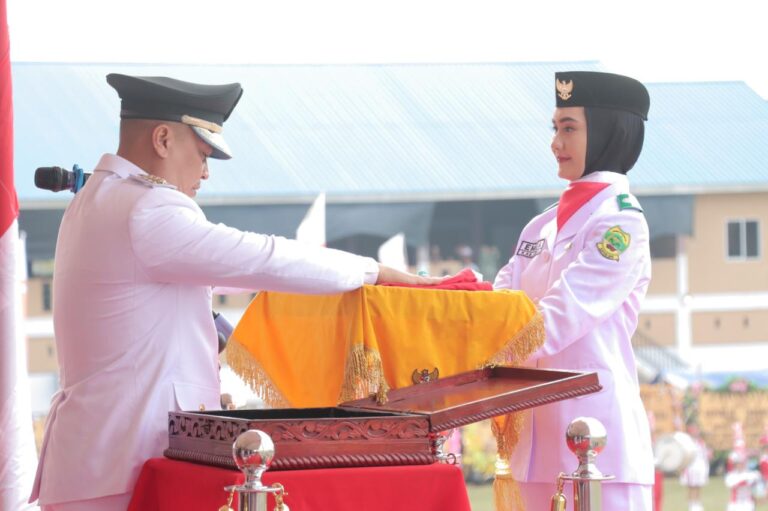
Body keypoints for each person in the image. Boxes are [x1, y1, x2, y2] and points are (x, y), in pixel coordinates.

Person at [28, 73, 441, 511]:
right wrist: (373, 272)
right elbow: (262, 258)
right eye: (202, 154)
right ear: (163, 139)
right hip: (124, 460)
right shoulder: (148, 208)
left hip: (97, 459)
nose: (205, 173)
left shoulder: (97, 199)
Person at [493, 71, 654, 510]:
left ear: (607, 132)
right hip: (533, 441)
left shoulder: (620, 222)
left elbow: (562, 316)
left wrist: (480, 346)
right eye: (555, 128)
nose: (555, 143)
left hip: (597, 444)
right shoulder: (540, 225)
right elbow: (498, 300)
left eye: (569, 128)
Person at [679, 424, 710, 511]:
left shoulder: (701, 442)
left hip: (700, 466)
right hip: (691, 467)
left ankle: (697, 503)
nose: (696, 433)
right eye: (694, 431)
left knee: (698, 485)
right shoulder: (688, 442)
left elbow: (704, 454)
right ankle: (692, 505)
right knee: (692, 486)